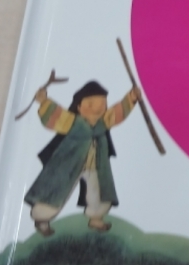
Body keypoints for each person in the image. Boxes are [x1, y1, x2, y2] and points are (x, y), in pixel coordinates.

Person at [25, 78, 141, 235]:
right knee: (55, 191)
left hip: (95, 165)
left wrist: (132, 97)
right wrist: (44, 101)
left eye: (102, 104)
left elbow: (117, 112)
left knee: (100, 192)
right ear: (79, 107)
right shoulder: (71, 122)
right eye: (91, 104)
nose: (97, 109)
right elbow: (55, 115)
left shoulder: (103, 122)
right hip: (69, 165)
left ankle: (96, 218)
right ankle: (42, 220)